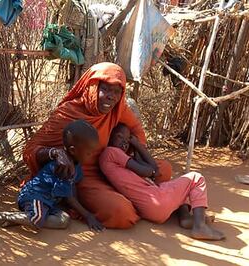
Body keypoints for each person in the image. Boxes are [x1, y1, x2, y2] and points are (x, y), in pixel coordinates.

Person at [23, 62, 173, 229]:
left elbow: (136, 128)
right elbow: (30, 150)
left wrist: (135, 153)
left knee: (164, 169)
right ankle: (142, 200)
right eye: (106, 89)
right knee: (122, 213)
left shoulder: (118, 109)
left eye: (117, 92)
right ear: (92, 87)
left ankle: (140, 197)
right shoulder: (67, 113)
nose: (111, 97)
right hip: (84, 177)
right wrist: (55, 153)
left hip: (113, 166)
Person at [99, 123, 225, 240]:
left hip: (149, 210)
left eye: (127, 141)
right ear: (109, 136)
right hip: (157, 200)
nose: (124, 143)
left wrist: (137, 148)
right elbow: (150, 171)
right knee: (196, 178)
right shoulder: (111, 152)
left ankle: (185, 217)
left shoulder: (120, 162)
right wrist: (139, 149)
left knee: (177, 187)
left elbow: (154, 168)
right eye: (120, 137)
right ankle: (200, 227)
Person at [0, 120, 104, 232]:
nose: (92, 155)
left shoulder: (76, 165)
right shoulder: (62, 168)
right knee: (37, 219)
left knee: (63, 220)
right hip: (35, 196)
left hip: (48, 202)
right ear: (72, 150)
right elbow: (69, 197)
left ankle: (17, 219)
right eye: (89, 152)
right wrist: (88, 215)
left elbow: (72, 187)